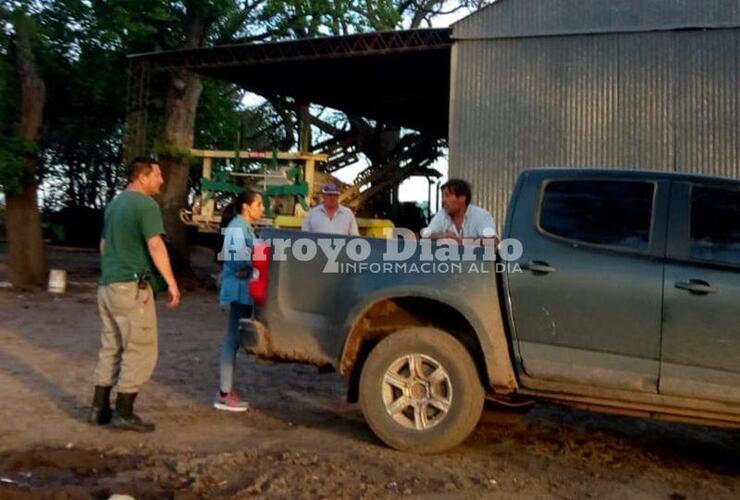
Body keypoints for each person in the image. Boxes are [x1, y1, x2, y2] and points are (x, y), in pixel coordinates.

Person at [89, 156, 180, 433]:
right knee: (140, 349)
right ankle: (124, 412)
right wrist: (171, 283)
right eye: (157, 175)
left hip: (107, 286)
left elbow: (104, 246)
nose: (161, 181)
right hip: (132, 288)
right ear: (142, 177)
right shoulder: (145, 204)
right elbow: (155, 244)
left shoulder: (115, 204)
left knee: (111, 346)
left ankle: (99, 409)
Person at [215, 189, 265, 411]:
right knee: (232, 339)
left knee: (233, 339)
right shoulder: (238, 227)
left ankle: (226, 390)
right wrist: (255, 262)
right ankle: (224, 393)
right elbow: (237, 260)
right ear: (247, 207)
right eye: (259, 204)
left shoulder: (243, 227)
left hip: (241, 290)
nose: (262, 209)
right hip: (237, 290)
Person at [422, 179, 497, 241]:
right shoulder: (443, 214)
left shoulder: (481, 215)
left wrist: (460, 241)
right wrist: (444, 235)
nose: (443, 200)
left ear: (462, 198)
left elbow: (492, 240)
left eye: (447, 196)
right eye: (443, 197)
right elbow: (425, 234)